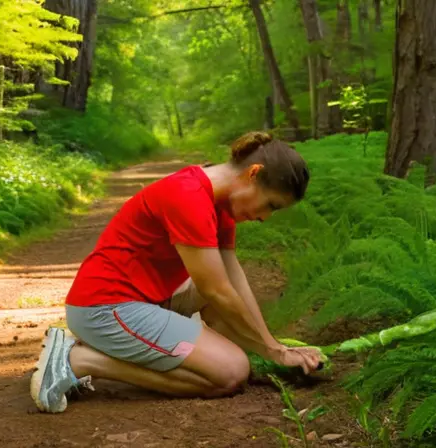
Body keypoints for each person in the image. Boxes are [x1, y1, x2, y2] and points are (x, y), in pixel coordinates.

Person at [30, 131, 323, 413]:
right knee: (230, 372)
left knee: (229, 310)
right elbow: (216, 290)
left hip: (141, 300)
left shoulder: (220, 202)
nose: (264, 217)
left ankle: (96, 350)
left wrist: (274, 346)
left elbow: (232, 281)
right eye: (270, 204)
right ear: (253, 173)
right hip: (105, 307)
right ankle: (80, 361)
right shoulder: (188, 196)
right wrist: (273, 350)